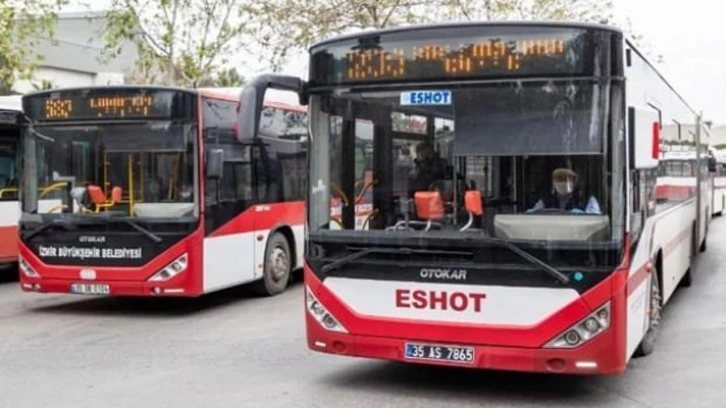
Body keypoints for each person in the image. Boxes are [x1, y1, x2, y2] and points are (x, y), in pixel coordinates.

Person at [527, 168, 601, 214]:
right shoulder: (545, 200)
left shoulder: (587, 199)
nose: (563, 182)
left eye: (567, 179)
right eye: (559, 179)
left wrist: (584, 215)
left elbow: (596, 218)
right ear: (554, 183)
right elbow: (533, 214)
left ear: (574, 182)